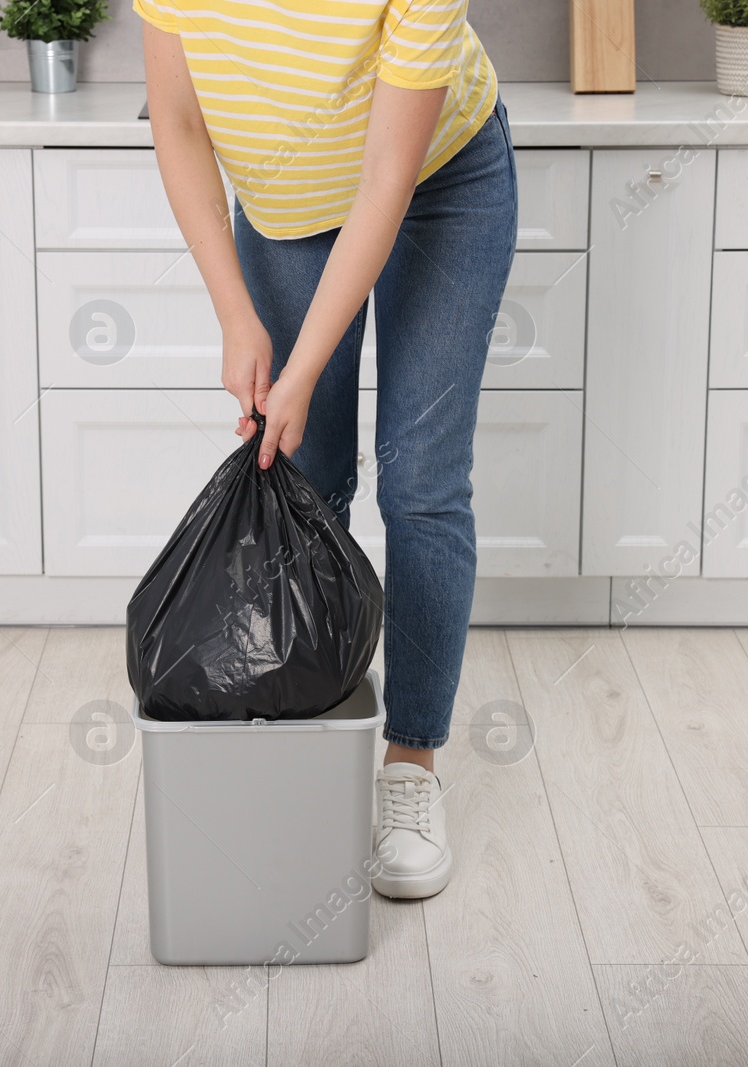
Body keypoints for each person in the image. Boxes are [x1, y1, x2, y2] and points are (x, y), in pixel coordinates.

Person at [139, 0, 514, 899]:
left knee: (421, 483)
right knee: (302, 476)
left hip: (436, 182)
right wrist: (238, 315)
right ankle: (305, 736)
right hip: (286, 201)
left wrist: (300, 367)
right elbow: (180, 122)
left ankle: (410, 765)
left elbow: (387, 173)